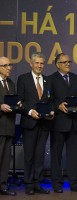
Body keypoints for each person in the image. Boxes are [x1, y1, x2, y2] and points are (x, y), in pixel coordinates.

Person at [49, 53, 77, 193]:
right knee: (56, 155)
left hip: (74, 122)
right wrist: (58, 106)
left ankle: (75, 183)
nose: (67, 64)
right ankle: (57, 184)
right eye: (64, 62)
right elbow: (49, 100)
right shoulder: (50, 79)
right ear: (57, 64)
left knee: (73, 155)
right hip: (58, 122)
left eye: (69, 61)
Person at [17, 52, 53, 195]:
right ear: (31, 64)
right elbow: (20, 101)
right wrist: (30, 111)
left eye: (42, 63)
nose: (39, 66)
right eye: (37, 63)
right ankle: (29, 184)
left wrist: (51, 111)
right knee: (29, 156)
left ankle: (37, 183)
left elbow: (51, 100)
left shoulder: (48, 81)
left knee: (40, 155)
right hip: (29, 122)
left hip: (44, 123)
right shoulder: (23, 79)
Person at [0, 57, 17, 196]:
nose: (9, 67)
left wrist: (18, 105)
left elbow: (13, 101)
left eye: (10, 65)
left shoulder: (11, 83)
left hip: (9, 126)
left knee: (6, 158)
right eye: (5, 65)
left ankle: (3, 186)